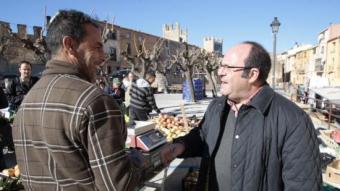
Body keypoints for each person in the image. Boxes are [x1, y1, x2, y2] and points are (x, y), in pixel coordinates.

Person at [161, 41, 321, 191]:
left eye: (228, 67)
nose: (219, 72)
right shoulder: (216, 107)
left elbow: (302, 184)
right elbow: (203, 136)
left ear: (252, 74)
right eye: (221, 66)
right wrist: (182, 145)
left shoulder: (294, 120)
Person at [12, 10, 145, 190]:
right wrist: (138, 160)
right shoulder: (95, 101)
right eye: (97, 47)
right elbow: (117, 186)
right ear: (70, 45)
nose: (104, 56)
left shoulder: (27, 103)